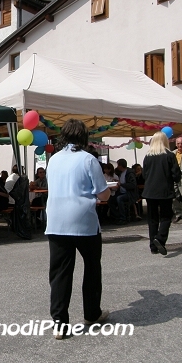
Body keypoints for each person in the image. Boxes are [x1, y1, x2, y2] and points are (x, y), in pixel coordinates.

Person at [45, 119, 112, 339]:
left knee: (60, 273)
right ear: (83, 137)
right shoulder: (88, 159)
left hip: (55, 221)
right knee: (92, 268)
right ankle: (91, 313)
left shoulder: (53, 159)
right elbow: (103, 194)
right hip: (83, 221)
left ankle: (59, 324)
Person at [142, 131, 181, 256]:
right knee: (166, 217)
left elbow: (144, 175)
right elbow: (176, 175)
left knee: (152, 219)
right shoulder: (169, 155)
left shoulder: (148, 156)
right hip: (165, 191)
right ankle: (160, 239)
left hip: (149, 191)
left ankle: (153, 246)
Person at [109, 159, 138, 224]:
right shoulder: (120, 173)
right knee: (111, 200)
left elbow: (132, 185)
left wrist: (121, 184)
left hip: (129, 193)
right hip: (121, 192)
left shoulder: (129, 173)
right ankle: (117, 216)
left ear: (121, 166)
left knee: (119, 199)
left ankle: (123, 217)